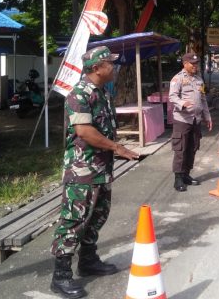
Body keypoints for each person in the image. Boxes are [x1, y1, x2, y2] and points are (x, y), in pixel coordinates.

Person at [50, 46, 139, 298]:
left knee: (98, 215)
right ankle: (61, 276)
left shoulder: (102, 93)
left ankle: (88, 261)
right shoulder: (79, 94)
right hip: (83, 170)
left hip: (101, 169)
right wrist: (117, 147)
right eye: (110, 63)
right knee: (74, 220)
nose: (114, 66)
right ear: (96, 68)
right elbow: (85, 132)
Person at [169, 52, 213, 192]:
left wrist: (208, 117)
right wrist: (183, 103)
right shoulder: (178, 79)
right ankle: (178, 178)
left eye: (196, 63)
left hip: (196, 120)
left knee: (192, 147)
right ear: (185, 64)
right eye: (192, 63)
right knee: (181, 149)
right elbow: (172, 97)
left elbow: (203, 100)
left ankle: (186, 175)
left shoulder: (199, 80)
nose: (195, 66)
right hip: (182, 120)